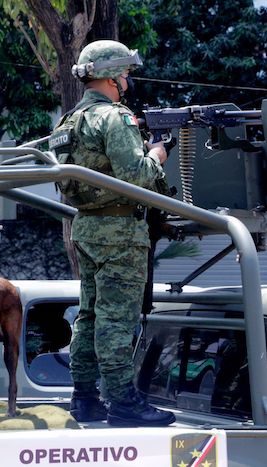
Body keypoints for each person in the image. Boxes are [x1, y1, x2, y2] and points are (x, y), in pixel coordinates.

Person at [51, 40, 175, 427]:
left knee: (89, 316)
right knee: (116, 319)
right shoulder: (114, 117)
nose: (127, 80)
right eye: (124, 73)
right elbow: (136, 176)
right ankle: (123, 401)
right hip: (120, 230)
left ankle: (85, 398)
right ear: (111, 76)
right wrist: (157, 154)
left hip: (87, 226)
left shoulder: (68, 120)